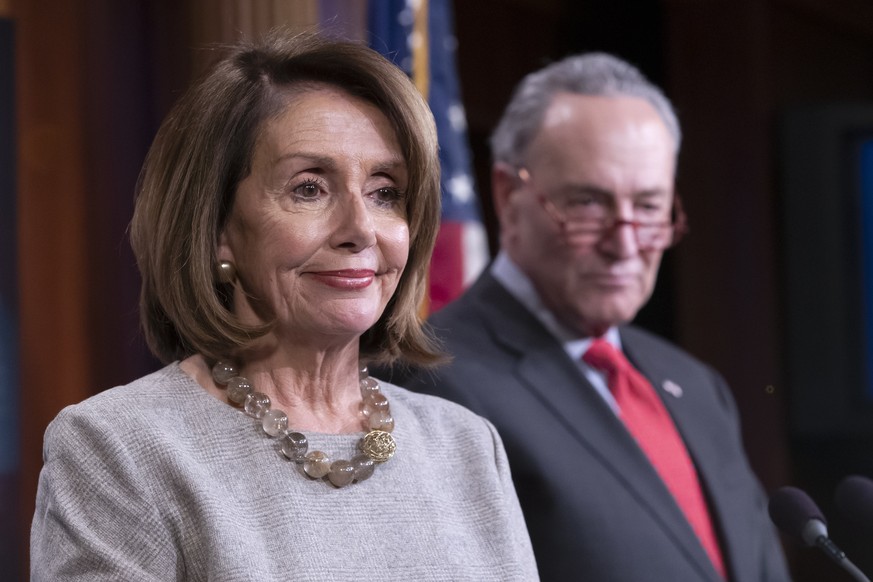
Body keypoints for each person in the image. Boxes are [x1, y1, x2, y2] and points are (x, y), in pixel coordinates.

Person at [30, 30, 538, 581]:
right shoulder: (119, 447)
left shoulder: (465, 445)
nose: (360, 230)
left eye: (385, 191)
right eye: (309, 188)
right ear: (219, 227)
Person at [380, 53, 790, 581]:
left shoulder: (697, 387)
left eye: (648, 207)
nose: (625, 245)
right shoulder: (431, 379)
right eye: (590, 204)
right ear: (509, 194)